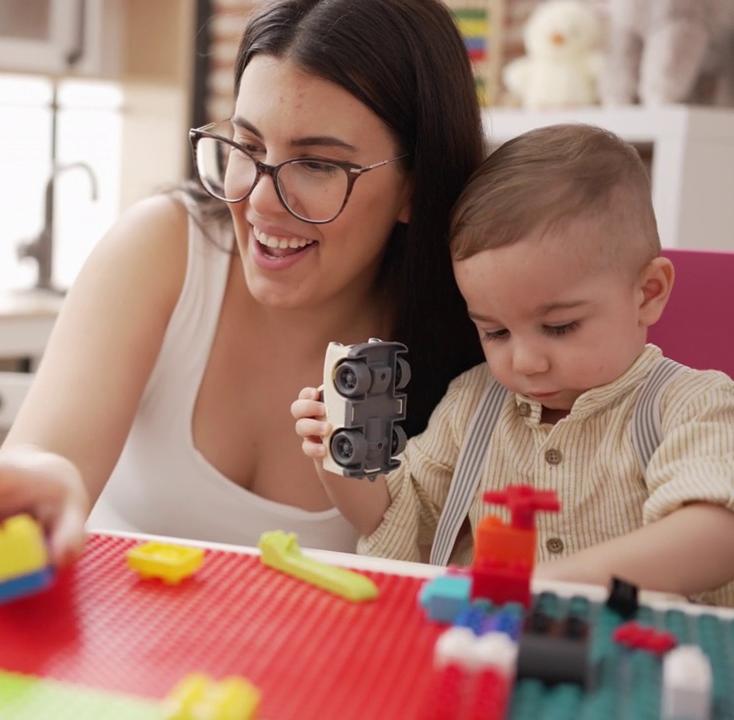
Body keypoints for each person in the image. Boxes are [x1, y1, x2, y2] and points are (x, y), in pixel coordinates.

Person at [0, 0, 486, 581]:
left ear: (414, 187)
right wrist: (32, 481)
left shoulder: (481, 335)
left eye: (319, 165)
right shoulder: (162, 247)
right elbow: (48, 455)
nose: (258, 202)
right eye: (247, 148)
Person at [293, 123, 734, 605]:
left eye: (560, 327)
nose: (524, 362)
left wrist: (556, 581)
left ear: (647, 293)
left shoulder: (693, 404)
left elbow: (716, 532)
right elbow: (402, 514)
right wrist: (339, 458)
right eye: (495, 332)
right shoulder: (474, 403)